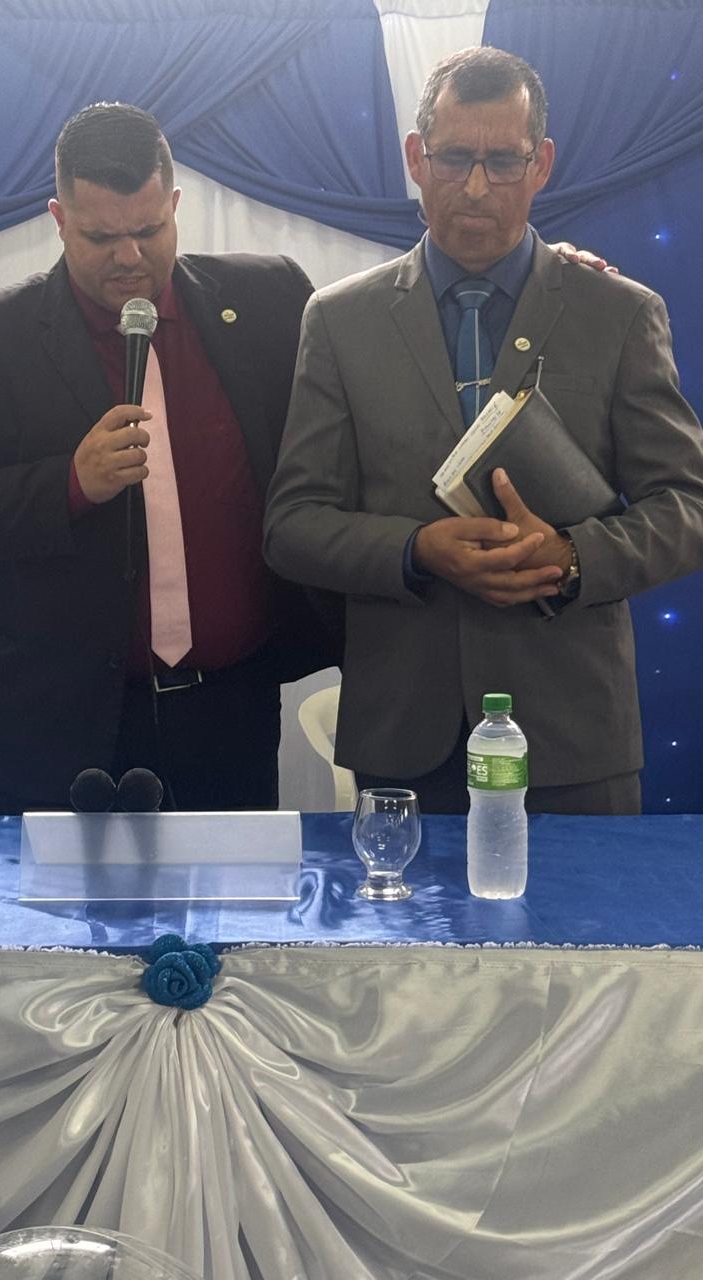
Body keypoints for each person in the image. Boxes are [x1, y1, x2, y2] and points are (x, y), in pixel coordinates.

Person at [264, 46, 703, 815]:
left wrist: (573, 556)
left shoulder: (620, 313)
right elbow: (292, 526)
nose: (475, 187)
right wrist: (416, 549)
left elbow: (688, 507)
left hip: (572, 737)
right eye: (453, 158)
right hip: (403, 739)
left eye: (503, 162)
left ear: (542, 165)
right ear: (415, 158)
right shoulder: (338, 320)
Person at [0, 103, 339, 814]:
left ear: (175, 205)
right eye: (101, 236)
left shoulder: (270, 299)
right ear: (59, 219)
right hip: (63, 728)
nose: (129, 257)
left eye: (148, 230)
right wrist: (70, 483)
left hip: (232, 713)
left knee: (230, 894)